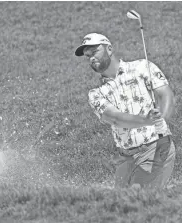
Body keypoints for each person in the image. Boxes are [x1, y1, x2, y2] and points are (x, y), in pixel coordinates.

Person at [75, 33, 176, 189]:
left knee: (137, 200)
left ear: (109, 49)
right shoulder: (96, 94)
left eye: (94, 52)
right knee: (121, 206)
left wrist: (162, 117)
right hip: (126, 157)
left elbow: (165, 93)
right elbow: (115, 118)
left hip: (155, 148)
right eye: (87, 56)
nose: (91, 58)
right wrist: (146, 120)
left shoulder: (142, 67)